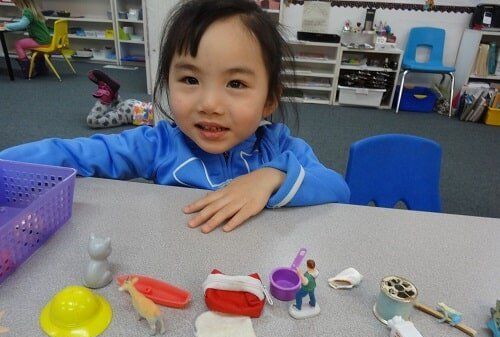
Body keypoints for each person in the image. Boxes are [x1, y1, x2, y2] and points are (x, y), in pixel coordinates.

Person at [0, 0, 350, 233]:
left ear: (269, 99)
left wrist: (272, 176)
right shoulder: (159, 144)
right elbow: (77, 154)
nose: (210, 103)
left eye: (236, 83)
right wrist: (5, 166)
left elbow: (339, 189)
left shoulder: (279, 148)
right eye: (190, 79)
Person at [86, 69, 154, 129]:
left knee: (119, 106)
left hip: (136, 104)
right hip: (132, 113)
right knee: (93, 121)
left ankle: (114, 95)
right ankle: (106, 97)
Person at [1, 0, 50, 78]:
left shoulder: (27, 12)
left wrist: (6, 25)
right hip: (46, 39)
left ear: (21, 2)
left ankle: (28, 70)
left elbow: (22, 25)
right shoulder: (34, 11)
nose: (16, 5)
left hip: (40, 40)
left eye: (16, 3)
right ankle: (41, 69)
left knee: (18, 44)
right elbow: (24, 23)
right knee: (32, 47)